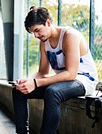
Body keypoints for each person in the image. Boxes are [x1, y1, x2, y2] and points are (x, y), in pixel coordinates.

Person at [12, 6, 98, 134]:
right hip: (63, 82)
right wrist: (27, 81)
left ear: (47, 22)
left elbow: (71, 74)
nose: (36, 35)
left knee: (53, 92)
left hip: (83, 80)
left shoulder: (69, 35)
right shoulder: (44, 42)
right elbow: (42, 72)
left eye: (37, 30)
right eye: (33, 33)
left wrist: (35, 83)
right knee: (18, 91)